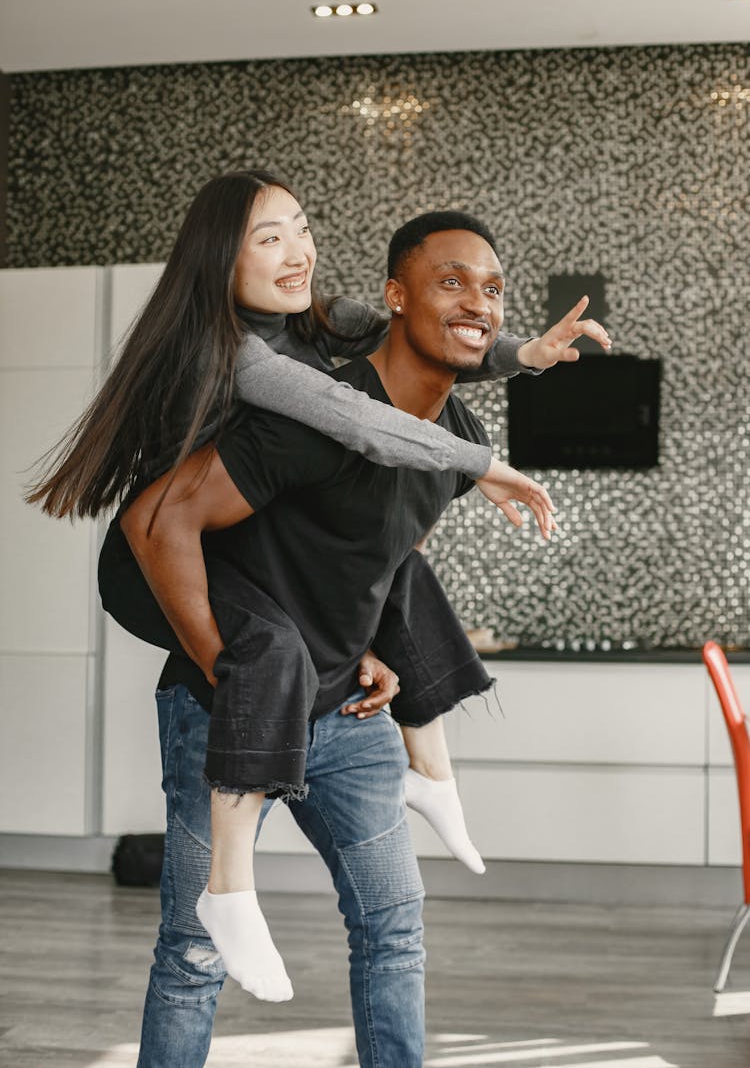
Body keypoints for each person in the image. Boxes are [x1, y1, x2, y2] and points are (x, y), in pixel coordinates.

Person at [27, 172, 609, 1005]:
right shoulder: (243, 356)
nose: (296, 250)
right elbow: (357, 420)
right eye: (267, 238)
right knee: (268, 652)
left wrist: (529, 355)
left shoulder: (323, 318)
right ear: (217, 262)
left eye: (299, 227)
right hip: (160, 554)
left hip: (235, 545)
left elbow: (438, 331)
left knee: (401, 569)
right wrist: (483, 464)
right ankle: (229, 890)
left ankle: (431, 772)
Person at [121, 210, 558, 1066]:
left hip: (349, 715)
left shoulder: (462, 436)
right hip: (233, 696)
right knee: (193, 950)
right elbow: (161, 519)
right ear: (394, 298)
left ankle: (432, 775)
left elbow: (389, 543)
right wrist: (229, 676)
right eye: (451, 281)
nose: (479, 302)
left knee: (393, 927)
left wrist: (369, 637)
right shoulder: (309, 416)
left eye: (494, 288)